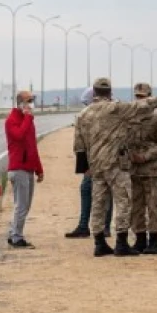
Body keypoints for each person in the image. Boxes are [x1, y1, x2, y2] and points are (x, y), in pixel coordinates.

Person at [74, 77, 157, 257]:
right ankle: (121, 242)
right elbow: (142, 106)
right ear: (110, 92)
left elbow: (79, 145)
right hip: (115, 164)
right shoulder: (117, 109)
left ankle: (99, 242)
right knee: (124, 201)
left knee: (98, 203)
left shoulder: (83, 114)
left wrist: (84, 167)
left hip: (96, 165)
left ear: (94, 92)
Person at [127, 82, 157, 254]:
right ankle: (139, 239)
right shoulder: (129, 119)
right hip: (133, 170)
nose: (140, 101)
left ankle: (153, 241)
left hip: (151, 170)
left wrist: (146, 156)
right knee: (136, 206)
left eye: (143, 97)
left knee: (153, 206)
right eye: (138, 97)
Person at [65, 86, 113, 238]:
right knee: (87, 190)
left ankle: (103, 227)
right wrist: (84, 167)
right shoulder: (87, 116)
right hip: (92, 162)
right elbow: (80, 144)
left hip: (107, 161)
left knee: (106, 194)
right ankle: (85, 226)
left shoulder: (113, 113)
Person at [5, 90, 43, 248]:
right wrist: (27, 117)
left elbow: (32, 146)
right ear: (20, 103)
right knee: (21, 205)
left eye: (32, 101)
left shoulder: (29, 120)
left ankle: (13, 232)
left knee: (25, 205)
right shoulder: (11, 120)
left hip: (28, 168)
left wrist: (39, 168)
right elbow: (19, 135)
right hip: (18, 167)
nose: (30, 104)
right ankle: (16, 237)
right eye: (28, 101)